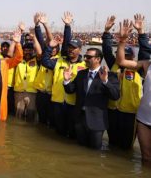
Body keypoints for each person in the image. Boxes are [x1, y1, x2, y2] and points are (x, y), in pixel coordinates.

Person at [63, 48, 120, 149]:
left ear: (98, 59)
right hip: (80, 118)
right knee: (80, 148)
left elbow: (115, 96)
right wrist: (66, 81)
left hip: (97, 121)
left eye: (89, 57)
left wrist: (105, 81)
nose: (85, 59)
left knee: (95, 152)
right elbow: (70, 90)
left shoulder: (110, 76)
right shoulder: (81, 74)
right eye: (85, 56)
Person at [41, 12, 86, 138]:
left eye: (74, 48)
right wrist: (49, 47)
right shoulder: (59, 61)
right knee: (58, 132)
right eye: (69, 48)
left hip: (73, 105)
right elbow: (45, 61)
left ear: (80, 49)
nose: (71, 50)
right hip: (57, 102)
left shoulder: (84, 65)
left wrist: (67, 25)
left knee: (72, 133)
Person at [102, 15, 144, 149]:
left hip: (130, 114)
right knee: (112, 143)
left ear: (133, 57)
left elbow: (145, 52)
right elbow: (106, 50)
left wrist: (140, 32)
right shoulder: (114, 65)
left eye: (127, 56)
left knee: (126, 147)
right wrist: (106, 32)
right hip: (112, 110)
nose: (123, 58)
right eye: (121, 55)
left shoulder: (139, 68)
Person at [116, 17, 151, 165]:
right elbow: (121, 62)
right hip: (144, 119)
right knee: (146, 157)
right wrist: (122, 41)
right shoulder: (146, 64)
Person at [13, 29, 42, 121]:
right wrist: (17, 39)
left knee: (31, 116)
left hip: (32, 93)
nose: (27, 52)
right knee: (18, 116)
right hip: (18, 92)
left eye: (30, 50)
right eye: (25, 50)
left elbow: (40, 52)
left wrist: (34, 39)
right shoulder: (18, 60)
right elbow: (11, 53)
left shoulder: (36, 60)